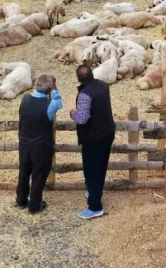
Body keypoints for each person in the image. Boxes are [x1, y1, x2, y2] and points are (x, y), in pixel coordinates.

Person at [70, 64, 115, 220]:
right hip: (108, 132)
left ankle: (95, 206)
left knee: (91, 170)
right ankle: (95, 191)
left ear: (78, 78)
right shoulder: (102, 85)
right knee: (101, 166)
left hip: (93, 138)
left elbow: (82, 119)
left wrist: (72, 113)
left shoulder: (85, 94)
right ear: (92, 74)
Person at [15, 74, 63, 214]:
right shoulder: (50, 104)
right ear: (48, 90)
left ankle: (21, 200)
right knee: (39, 175)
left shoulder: (25, 99)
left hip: (24, 144)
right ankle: (34, 205)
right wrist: (54, 86)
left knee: (24, 172)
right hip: (41, 146)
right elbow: (59, 101)